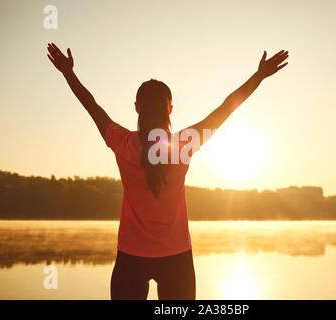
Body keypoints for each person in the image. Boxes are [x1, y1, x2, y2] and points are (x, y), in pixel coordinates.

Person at [46, 43, 288, 299]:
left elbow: (91, 105)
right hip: (177, 259)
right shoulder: (184, 144)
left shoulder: (122, 143)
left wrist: (68, 73)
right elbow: (226, 108)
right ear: (170, 108)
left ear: (137, 107)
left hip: (131, 258)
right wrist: (259, 76)